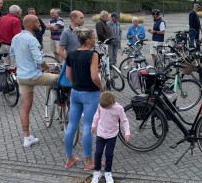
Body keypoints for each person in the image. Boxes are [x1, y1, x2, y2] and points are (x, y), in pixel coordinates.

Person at [10, 15, 58, 147]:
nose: (40, 24)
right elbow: (39, 60)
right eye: (37, 22)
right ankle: (63, 104)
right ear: (30, 25)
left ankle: (26, 138)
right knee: (60, 78)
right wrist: (47, 68)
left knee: (25, 107)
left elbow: (12, 55)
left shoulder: (15, 38)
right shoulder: (32, 39)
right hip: (34, 76)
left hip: (22, 78)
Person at [64, 27, 102, 170]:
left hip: (75, 93)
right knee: (87, 126)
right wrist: (101, 88)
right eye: (94, 38)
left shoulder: (71, 53)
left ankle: (69, 158)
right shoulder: (93, 54)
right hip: (90, 94)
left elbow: (68, 75)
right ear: (88, 40)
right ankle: (88, 161)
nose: (95, 40)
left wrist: (76, 84)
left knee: (72, 125)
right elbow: (94, 76)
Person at [90, 92, 130, 183]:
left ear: (112, 102)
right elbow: (96, 116)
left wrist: (127, 132)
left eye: (107, 107)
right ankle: (97, 172)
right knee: (98, 153)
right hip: (100, 133)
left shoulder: (119, 108)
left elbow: (124, 121)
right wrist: (93, 125)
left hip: (112, 135)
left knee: (109, 154)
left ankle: (108, 172)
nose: (105, 109)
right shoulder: (101, 105)